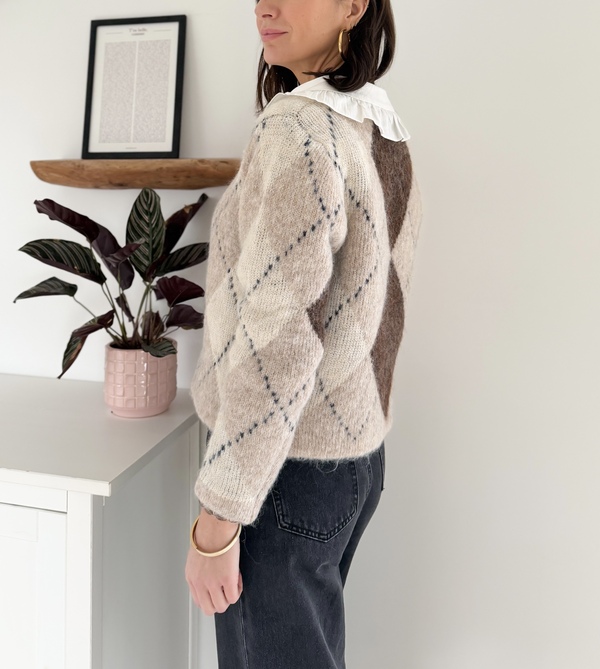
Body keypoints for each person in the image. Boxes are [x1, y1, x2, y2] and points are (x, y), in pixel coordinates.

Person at [185, 0, 422, 666]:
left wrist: (219, 517)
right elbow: (380, 306)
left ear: (354, 7)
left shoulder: (298, 127)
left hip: (281, 471)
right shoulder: (378, 125)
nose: (267, 6)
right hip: (354, 462)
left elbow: (280, 341)